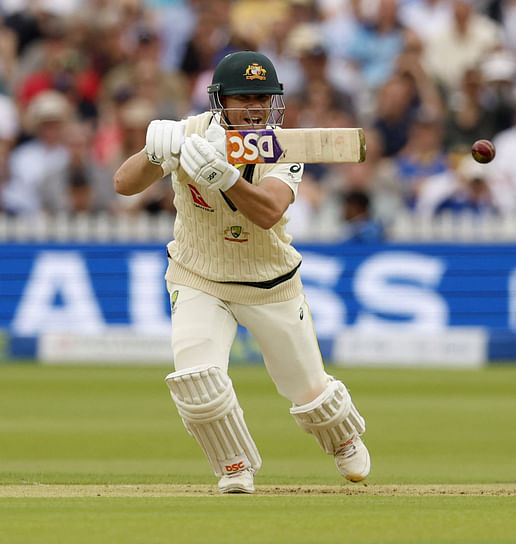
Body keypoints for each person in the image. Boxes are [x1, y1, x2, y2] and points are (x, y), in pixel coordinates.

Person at [113, 51, 370, 494]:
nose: (256, 108)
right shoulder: (191, 133)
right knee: (197, 379)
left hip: (270, 282)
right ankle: (234, 466)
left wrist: (223, 176)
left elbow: (268, 211)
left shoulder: (283, 147)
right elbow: (123, 184)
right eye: (245, 98)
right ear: (221, 101)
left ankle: (343, 436)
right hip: (198, 275)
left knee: (309, 393)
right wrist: (155, 151)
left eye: (264, 98)